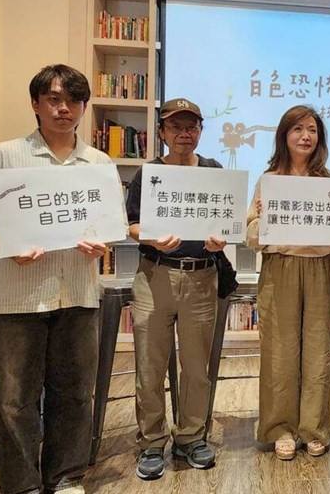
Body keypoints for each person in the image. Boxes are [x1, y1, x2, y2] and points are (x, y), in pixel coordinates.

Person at [0, 64, 114, 494]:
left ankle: (65, 477)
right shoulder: (4, 156)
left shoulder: (98, 163)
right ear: (36, 104)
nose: (64, 109)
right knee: (13, 399)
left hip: (76, 291)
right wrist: (8, 244)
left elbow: (104, 227)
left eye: (73, 101)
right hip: (16, 296)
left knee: (74, 391)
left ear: (84, 107)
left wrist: (99, 245)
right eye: (53, 99)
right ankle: (23, 483)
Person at [126, 98, 225, 480]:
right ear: (163, 132)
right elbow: (130, 224)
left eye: (191, 126)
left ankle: (191, 437)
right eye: (176, 126)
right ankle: (151, 443)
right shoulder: (148, 173)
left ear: (200, 130)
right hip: (155, 275)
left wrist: (221, 240)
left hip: (201, 276)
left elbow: (225, 224)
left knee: (196, 367)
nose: (185, 133)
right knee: (149, 367)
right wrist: (149, 238)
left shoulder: (214, 171)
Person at [245, 105, 330, 460]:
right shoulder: (269, 180)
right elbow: (252, 234)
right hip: (280, 269)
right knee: (279, 352)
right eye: (298, 129)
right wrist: (270, 226)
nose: (306, 136)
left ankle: (314, 429)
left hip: (320, 269)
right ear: (284, 136)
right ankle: (280, 428)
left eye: (312, 130)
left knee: (318, 351)